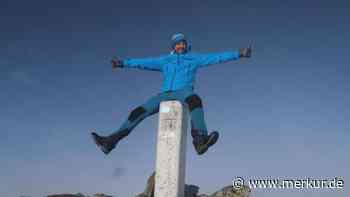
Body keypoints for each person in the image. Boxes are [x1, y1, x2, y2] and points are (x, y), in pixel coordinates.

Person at [91, 33, 252, 156]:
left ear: (186, 44)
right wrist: (122, 63)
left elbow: (216, 57)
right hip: (165, 94)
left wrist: (239, 53)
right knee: (138, 111)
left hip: (184, 92)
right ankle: (109, 142)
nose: (180, 46)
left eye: (182, 43)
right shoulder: (165, 60)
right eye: (177, 44)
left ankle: (200, 140)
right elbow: (144, 62)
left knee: (195, 101)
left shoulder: (193, 58)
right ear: (174, 46)